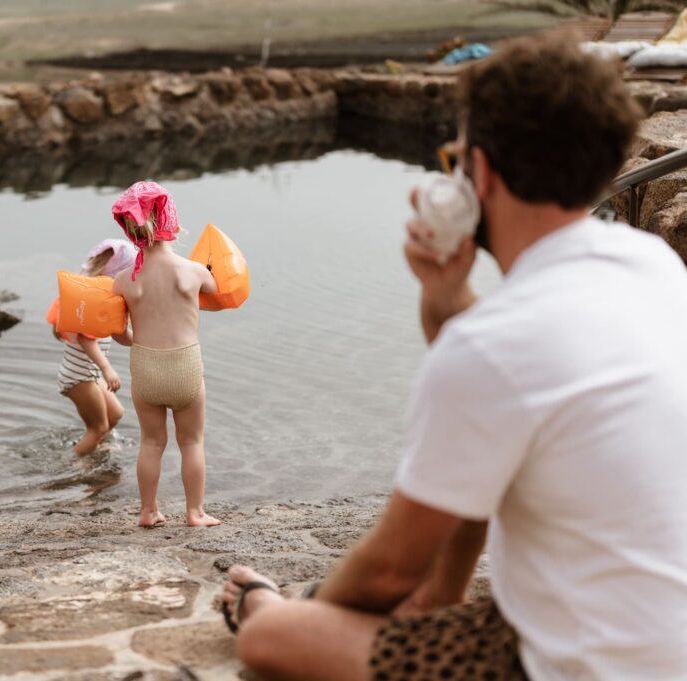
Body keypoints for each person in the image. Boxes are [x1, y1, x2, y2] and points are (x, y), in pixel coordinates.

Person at [221, 32, 687, 680]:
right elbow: (504, 396)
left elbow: (390, 569)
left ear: (482, 174)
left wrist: (313, 612)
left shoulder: (493, 345)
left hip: (576, 662)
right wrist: (445, 293)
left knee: (271, 638)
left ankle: (265, 602)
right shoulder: (655, 267)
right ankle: (436, 601)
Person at [111, 181, 222, 528]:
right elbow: (218, 294)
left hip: (146, 368)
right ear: (169, 220)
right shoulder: (191, 271)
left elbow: (117, 332)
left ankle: (147, 511)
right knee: (191, 442)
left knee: (150, 442)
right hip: (185, 366)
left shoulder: (125, 280)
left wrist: (134, 341)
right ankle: (195, 513)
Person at [54, 239, 135, 455]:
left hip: (89, 374)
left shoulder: (108, 300)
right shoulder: (92, 300)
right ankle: (74, 466)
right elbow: (87, 340)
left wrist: (147, 341)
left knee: (115, 414)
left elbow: (122, 335)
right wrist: (107, 369)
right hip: (78, 377)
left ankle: (98, 448)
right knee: (97, 427)